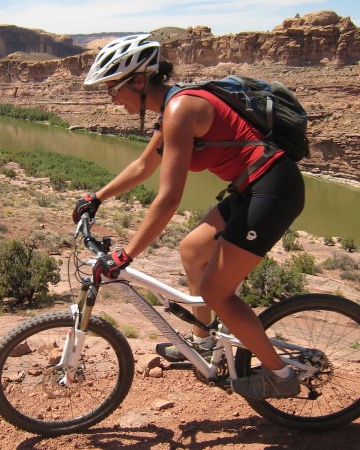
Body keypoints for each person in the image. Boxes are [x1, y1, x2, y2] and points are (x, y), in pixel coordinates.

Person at [72, 34, 305, 400]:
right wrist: (96, 197)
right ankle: (204, 341)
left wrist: (126, 255)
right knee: (193, 249)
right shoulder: (171, 109)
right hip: (251, 186)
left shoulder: (181, 109)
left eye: (112, 88)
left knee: (216, 290)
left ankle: (280, 375)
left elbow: (168, 198)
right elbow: (143, 165)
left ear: (137, 81)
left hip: (273, 189)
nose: (111, 98)